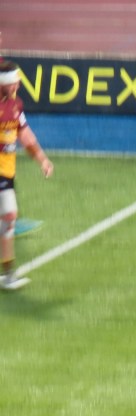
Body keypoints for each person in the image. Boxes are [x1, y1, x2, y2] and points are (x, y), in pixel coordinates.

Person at [0, 60, 53, 291]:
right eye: (14, 82)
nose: (18, 85)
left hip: (6, 171)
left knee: (9, 217)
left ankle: (8, 274)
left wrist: (42, 159)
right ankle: (9, 274)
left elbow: (25, 135)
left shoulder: (16, 105)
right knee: (9, 215)